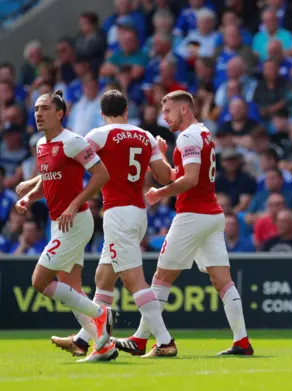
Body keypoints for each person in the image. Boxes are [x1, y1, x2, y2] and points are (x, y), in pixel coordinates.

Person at [120, 91, 253, 356]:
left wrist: (160, 193)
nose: (164, 116)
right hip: (212, 216)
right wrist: (162, 155)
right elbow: (178, 174)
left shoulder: (188, 136)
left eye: (167, 111)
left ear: (183, 109)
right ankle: (242, 341)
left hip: (193, 215)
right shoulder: (203, 134)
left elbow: (189, 180)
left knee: (161, 278)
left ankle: (142, 339)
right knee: (223, 282)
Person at [51, 90, 176, 360]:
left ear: (101, 112)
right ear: (127, 110)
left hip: (118, 214)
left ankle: (165, 341)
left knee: (134, 280)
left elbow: (73, 159)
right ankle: (86, 340)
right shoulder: (145, 136)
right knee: (103, 278)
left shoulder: (99, 134)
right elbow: (165, 176)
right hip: (138, 212)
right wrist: (163, 153)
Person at [14, 90, 115, 362]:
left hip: (76, 221)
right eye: (36, 108)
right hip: (57, 223)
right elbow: (49, 180)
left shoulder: (73, 141)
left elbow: (102, 174)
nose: (38, 113)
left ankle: (100, 313)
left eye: (45, 108)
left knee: (39, 281)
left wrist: (74, 204)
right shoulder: (41, 145)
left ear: (59, 114)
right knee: (72, 289)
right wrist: (29, 196)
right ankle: (103, 346)